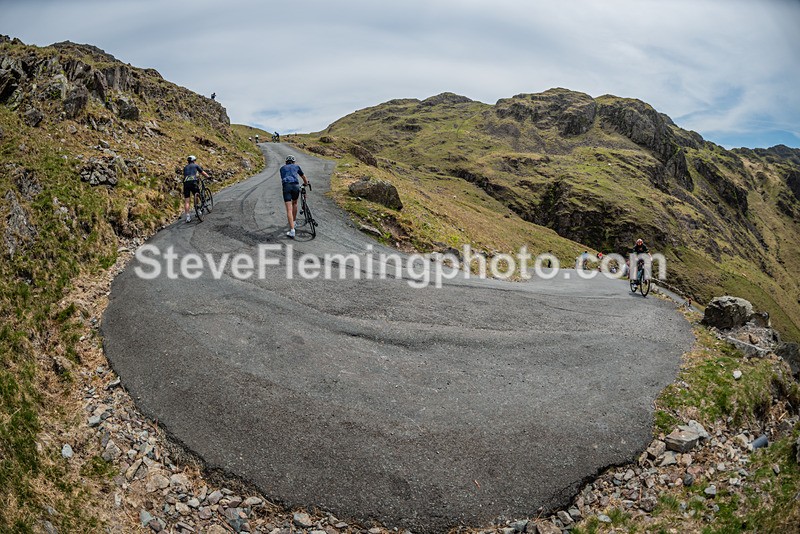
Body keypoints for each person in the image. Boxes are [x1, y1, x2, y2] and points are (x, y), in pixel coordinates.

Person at [279, 155, 309, 237]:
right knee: (295, 203)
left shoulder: (282, 168)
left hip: (286, 187)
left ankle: (292, 230)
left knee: (289, 209)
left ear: (286, 162)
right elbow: (303, 177)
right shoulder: (297, 166)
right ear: (294, 162)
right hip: (295, 186)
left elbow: (283, 178)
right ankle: (294, 222)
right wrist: (306, 183)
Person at [182, 155, 210, 223]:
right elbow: (202, 172)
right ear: (194, 161)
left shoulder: (185, 167)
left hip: (186, 182)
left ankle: (188, 217)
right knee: (196, 194)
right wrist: (208, 177)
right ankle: (198, 210)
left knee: (187, 200)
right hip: (193, 181)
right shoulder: (195, 165)